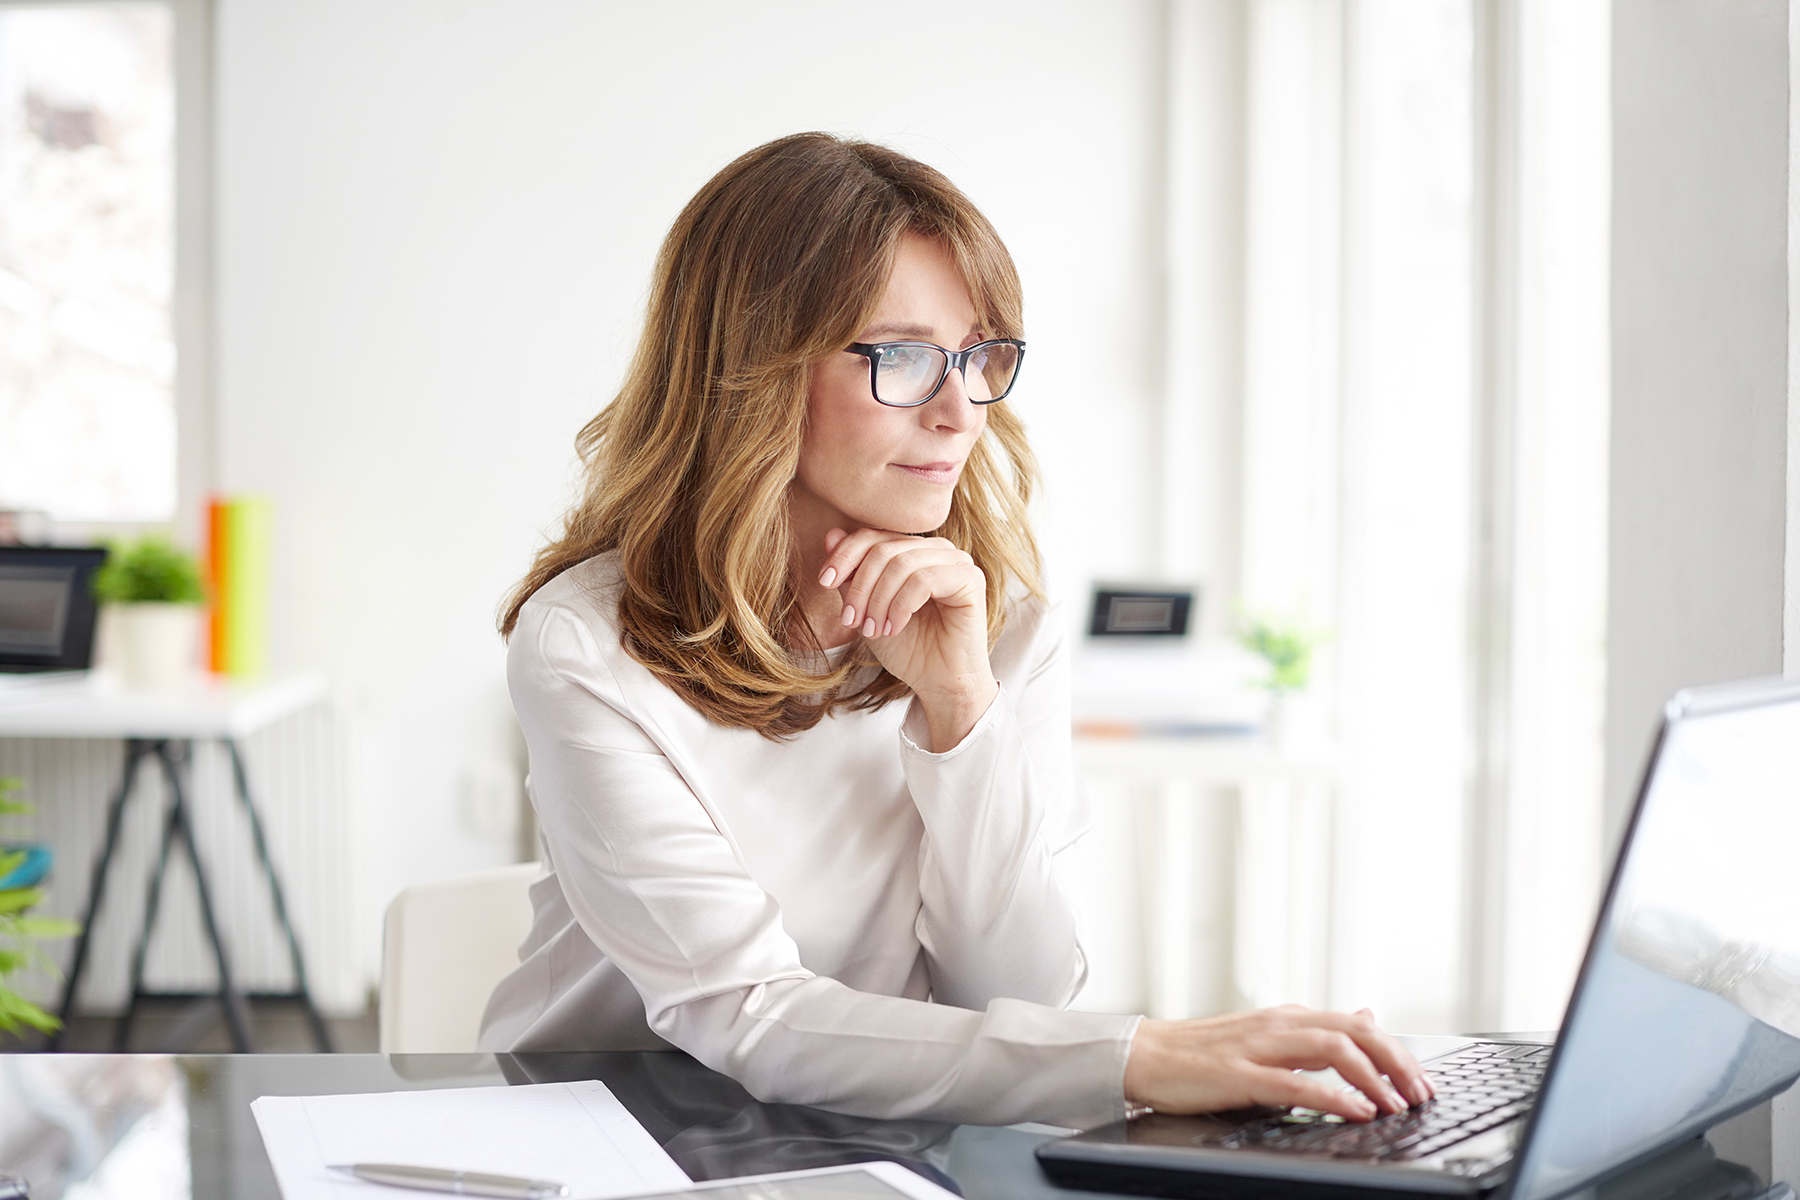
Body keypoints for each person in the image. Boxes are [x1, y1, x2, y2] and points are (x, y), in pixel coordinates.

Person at [479, 132, 1433, 1128]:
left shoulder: (1002, 620)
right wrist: (1142, 1053)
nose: (959, 409)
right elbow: (748, 1014)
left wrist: (963, 712)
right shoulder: (587, 647)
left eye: (978, 356)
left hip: (857, 1135)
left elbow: (1013, 998)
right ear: (752, 372)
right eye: (901, 356)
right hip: (597, 1130)